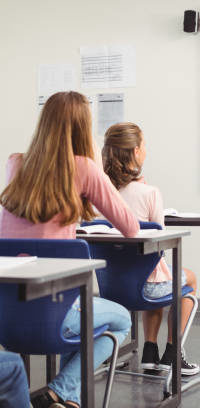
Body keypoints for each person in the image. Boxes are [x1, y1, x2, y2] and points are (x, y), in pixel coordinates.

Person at [0, 91, 140, 407]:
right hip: (55, 316)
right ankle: (59, 392)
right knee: (119, 320)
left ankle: (65, 398)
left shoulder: (15, 163)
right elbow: (130, 226)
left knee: (84, 315)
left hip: (5, 318)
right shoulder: (84, 168)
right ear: (81, 128)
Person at [101, 122, 200, 376]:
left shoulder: (98, 193)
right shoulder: (149, 193)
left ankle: (149, 350)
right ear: (135, 151)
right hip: (146, 290)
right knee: (184, 276)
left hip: (110, 288)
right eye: (144, 145)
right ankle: (172, 352)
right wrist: (144, 189)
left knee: (155, 271)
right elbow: (159, 243)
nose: (146, 149)